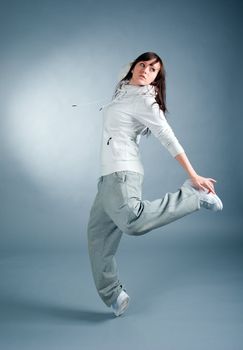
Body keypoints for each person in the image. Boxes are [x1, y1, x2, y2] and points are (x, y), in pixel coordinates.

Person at [87, 52, 223, 317]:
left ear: (156, 80)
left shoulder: (146, 100)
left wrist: (194, 175)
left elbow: (168, 137)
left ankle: (193, 196)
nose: (146, 71)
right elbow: (124, 69)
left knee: (133, 222)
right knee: (97, 239)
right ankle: (114, 295)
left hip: (123, 173)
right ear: (133, 66)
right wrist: (134, 69)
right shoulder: (124, 88)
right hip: (105, 178)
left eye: (153, 70)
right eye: (143, 65)